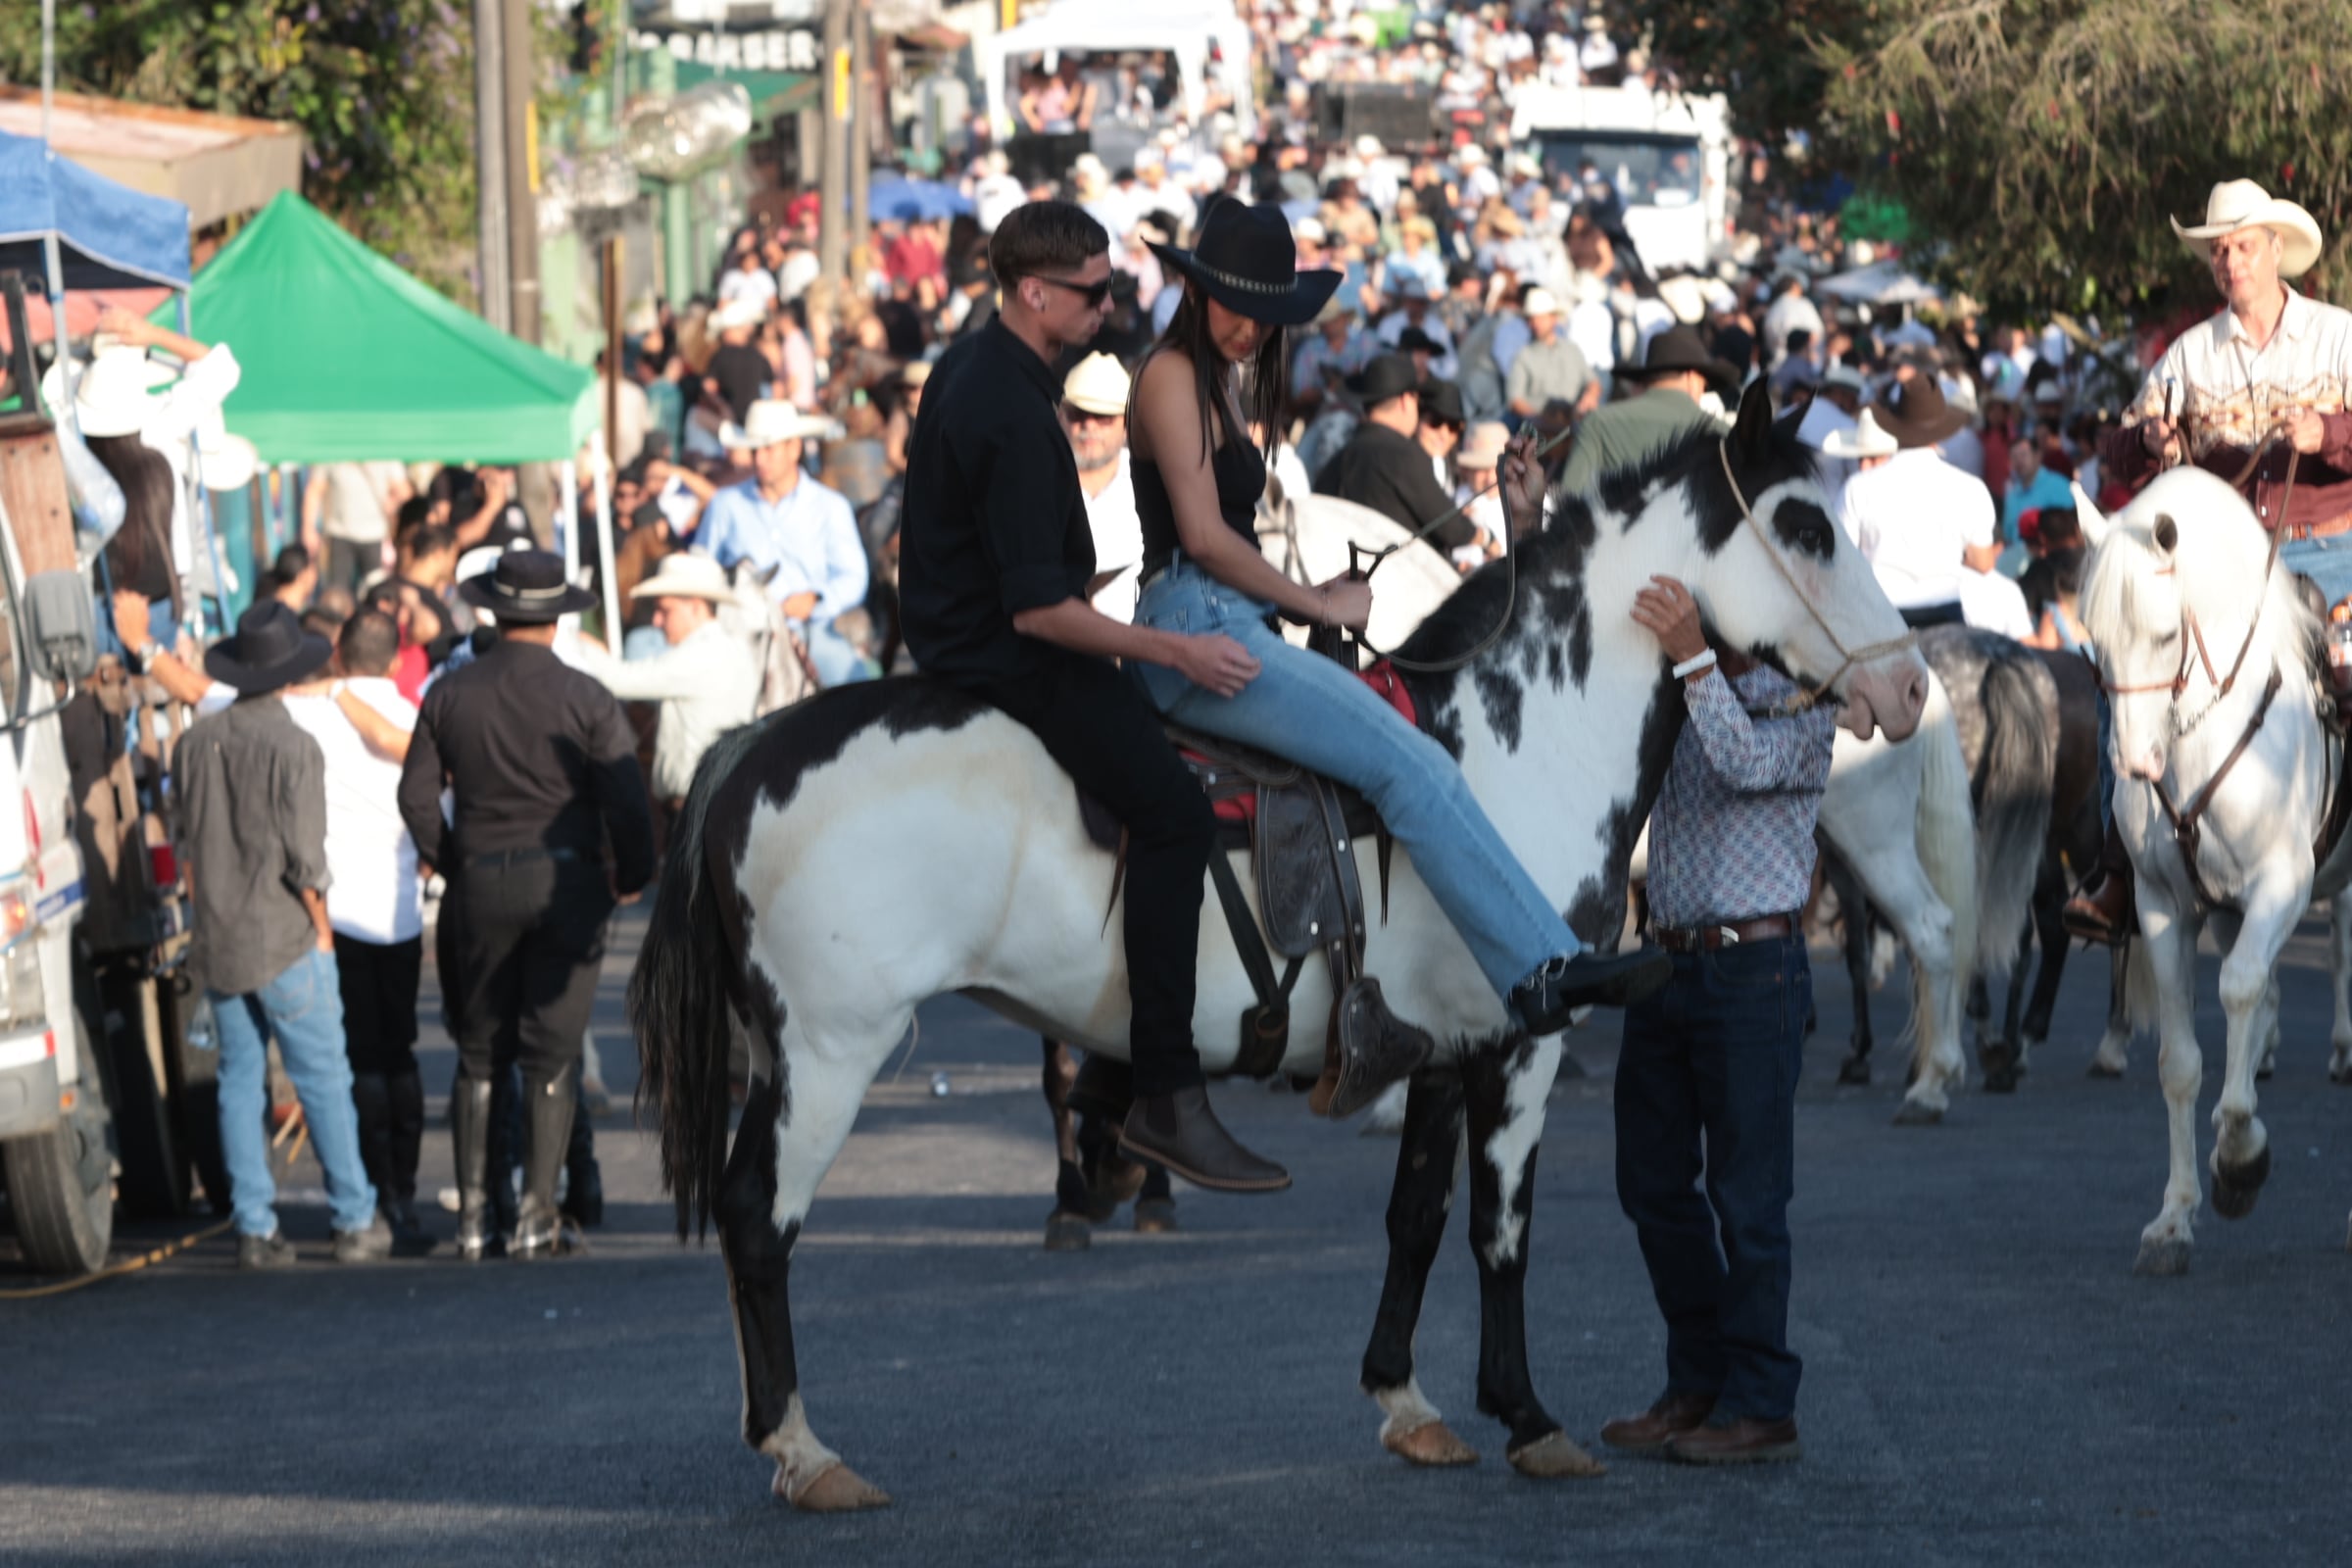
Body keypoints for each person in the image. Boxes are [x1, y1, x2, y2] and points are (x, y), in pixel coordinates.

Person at [1128, 199, 1669, 1087]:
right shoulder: (1170, 376)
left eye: (1268, 313)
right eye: (1237, 304)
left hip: (1227, 616)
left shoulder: (1216, 377)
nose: (1251, 326)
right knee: (1412, 764)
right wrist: (1316, 598)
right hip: (1195, 618)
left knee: (1402, 754)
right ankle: (1540, 966)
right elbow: (1203, 535)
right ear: (1198, 291)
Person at [896, 199, 1286, 1192]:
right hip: (1007, 659)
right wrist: (1174, 650)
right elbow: (1039, 613)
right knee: (1173, 817)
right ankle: (1162, 1088)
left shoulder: (984, 368)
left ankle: (1106, 1086)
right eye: (1093, 291)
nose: (1111, 306)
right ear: (1036, 292)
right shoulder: (1010, 405)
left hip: (980, 636)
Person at [2066, 179, 2352, 940]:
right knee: (2125, 672)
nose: (2230, 261)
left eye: (2243, 246)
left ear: (2275, 252)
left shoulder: (2338, 336)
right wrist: (2150, 443)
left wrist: (2331, 436)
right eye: (2219, 251)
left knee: (2351, 667)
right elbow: (2118, 451)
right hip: (2220, 567)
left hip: (2327, 552)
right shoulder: (2187, 356)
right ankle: (2120, 870)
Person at [1600, 572, 1838, 1466]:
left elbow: (1744, 763)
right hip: (1670, 958)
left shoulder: (1802, 696)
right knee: (1652, 1184)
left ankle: (1761, 1398)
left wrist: (1694, 655)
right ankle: (1702, 1382)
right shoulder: (1678, 686)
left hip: (1753, 969)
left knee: (1748, 1197)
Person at [397, 551, 655, 1259]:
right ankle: (538, 1216)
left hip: (479, 880)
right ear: (557, 615)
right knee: (550, 1052)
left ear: (494, 610)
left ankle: (476, 1218)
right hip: (566, 881)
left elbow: (415, 796)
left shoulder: (450, 692)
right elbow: (627, 802)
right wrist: (632, 873)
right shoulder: (586, 696)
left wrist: (455, 859)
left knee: (480, 1055)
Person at [179, 603, 391, 1267]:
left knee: (241, 1078)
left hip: (218, 934)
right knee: (325, 1076)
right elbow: (305, 857)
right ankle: (354, 1216)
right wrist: (322, 927)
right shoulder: (295, 744)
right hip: (285, 933)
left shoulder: (193, 743)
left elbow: (189, 844)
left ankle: (253, 1223)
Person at [281, 609, 434, 1255]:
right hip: (400, 914)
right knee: (398, 1053)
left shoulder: (311, 711)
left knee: (354, 1060)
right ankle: (403, 1192)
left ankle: (369, 1193)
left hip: (334, 917)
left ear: (338, 653)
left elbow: (215, 695)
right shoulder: (417, 715)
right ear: (397, 661)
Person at [698, 400, 876, 687]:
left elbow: (854, 576)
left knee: (853, 690)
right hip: (741, 631)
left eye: (769, 449)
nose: (760, 459)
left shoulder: (830, 506)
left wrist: (815, 599)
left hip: (810, 628)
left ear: (794, 448)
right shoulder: (725, 504)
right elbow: (701, 568)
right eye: (756, 450)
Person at [566, 552, 760, 811]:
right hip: (720, 799)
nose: (657, 621)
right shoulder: (734, 649)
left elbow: (618, 680)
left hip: (697, 806)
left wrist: (577, 641)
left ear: (696, 606)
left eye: (665, 610)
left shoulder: (700, 655)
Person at [1836, 378, 1992, 628]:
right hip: (1946, 610)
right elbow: (1983, 563)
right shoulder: (1971, 488)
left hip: (1881, 611)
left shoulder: (1859, 486)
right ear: (1941, 431)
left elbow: (1841, 561)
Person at [1313, 354, 1477, 559]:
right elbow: (1452, 529)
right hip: (1408, 582)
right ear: (1406, 401)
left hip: (1347, 580)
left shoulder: (1339, 459)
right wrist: (1485, 537)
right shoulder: (1404, 455)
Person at [1556, 326, 1733, 500]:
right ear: (1692, 378)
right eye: (1704, 385)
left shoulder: (1598, 422)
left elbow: (1569, 497)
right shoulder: (1722, 433)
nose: (1703, 391)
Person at [1057, 353, 1145, 622]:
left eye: (1103, 417)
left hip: (1141, 647)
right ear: (1060, 416)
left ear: (1126, 424)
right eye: (1077, 414)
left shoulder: (1150, 486)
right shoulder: (1036, 482)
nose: (1089, 426)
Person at [303, 461, 413, 600]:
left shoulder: (385, 452)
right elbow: (315, 489)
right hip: (340, 534)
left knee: (377, 594)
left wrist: (392, 502)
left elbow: (404, 491)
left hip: (374, 535)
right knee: (338, 594)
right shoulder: (332, 449)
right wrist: (308, 528)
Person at [1505, 287, 1599, 422]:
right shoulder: (1523, 356)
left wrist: (1590, 396)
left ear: (1553, 318)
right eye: (1531, 319)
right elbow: (1515, 400)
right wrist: (1542, 420)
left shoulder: (1572, 350)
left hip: (1572, 423)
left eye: (1541, 318)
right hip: (1539, 428)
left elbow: (1593, 381)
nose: (1536, 323)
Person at [2000, 437, 2077, 544]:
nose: (2018, 461)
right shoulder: (2011, 495)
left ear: (2037, 456)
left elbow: (2071, 533)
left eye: (2023, 455)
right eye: (2014, 457)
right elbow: (2008, 538)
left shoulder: (2059, 485)